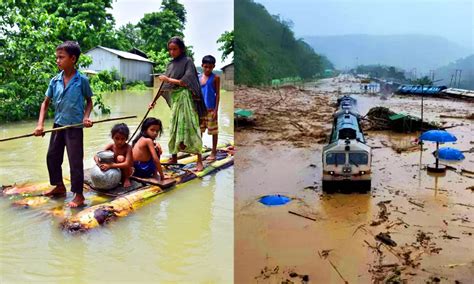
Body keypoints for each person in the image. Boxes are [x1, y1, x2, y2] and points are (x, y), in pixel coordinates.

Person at [33, 41, 93, 207]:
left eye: (61, 57)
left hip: (74, 127)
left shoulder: (82, 81)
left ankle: (79, 195)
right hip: (58, 125)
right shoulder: (55, 81)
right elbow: (45, 103)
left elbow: (89, 102)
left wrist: (86, 117)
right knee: (52, 156)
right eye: (57, 57)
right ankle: (59, 186)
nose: (57, 60)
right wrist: (40, 125)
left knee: (75, 161)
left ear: (73, 59)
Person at [151, 36, 206, 171]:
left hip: (186, 98)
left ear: (181, 49)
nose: (172, 52)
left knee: (192, 127)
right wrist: (153, 101)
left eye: (174, 49)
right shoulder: (170, 64)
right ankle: (174, 157)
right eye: (170, 49)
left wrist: (167, 78)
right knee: (174, 127)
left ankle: (199, 160)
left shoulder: (188, 61)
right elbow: (164, 85)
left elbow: (185, 81)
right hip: (176, 100)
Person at [94, 123, 133, 187]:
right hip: (115, 169)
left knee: (120, 158)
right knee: (105, 158)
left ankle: (126, 178)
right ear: (112, 137)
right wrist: (99, 164)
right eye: (117, 138)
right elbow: (97, 155)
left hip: (126, 171)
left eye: (122, 139)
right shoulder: (111, 146)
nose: (119, 142)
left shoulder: (128, 147)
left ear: (126, 139)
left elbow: (128, 164)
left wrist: (110, 165)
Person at [199, 55, 220, 160]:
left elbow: (218, 94)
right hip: (200, 110)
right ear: (202, 65)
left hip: (211, 110)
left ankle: (214, 152)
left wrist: (216, 110)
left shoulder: (215, 78)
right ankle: (199, 152)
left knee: (214, 132)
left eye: (210, 67)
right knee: (199, 132)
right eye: (206, 66)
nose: (207, 69)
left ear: (213, 67)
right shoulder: (198, 78)